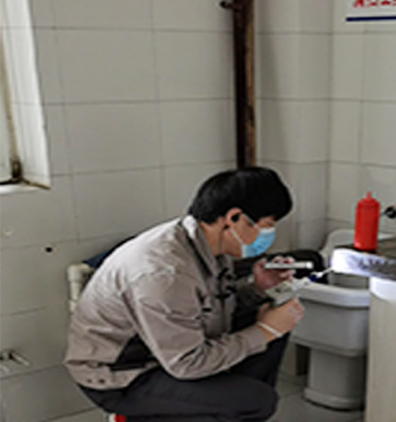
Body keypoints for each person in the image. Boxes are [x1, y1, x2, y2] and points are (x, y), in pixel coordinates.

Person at [65, 167, 304, 422]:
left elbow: (212, 304)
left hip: (165, 350)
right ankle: (138, 417)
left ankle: (225, 405)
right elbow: (186, 364)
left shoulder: (205, 242)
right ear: (234, 217)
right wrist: (265, 330)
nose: (268, 235)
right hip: (122, 376)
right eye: (267, 226)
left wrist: (258, 289)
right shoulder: (165, 273)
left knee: (271, 320)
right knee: (256, 400)